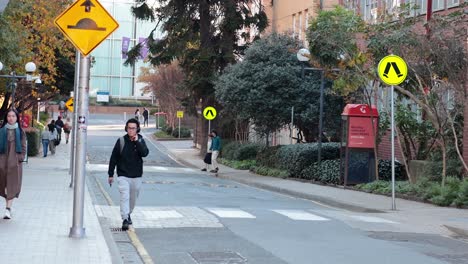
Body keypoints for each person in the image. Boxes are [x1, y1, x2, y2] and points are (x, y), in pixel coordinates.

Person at [108, 118, 149, 231]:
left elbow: (145, 153)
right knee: (124, 197)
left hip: (136, 175)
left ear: (137, 129)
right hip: (123, 175)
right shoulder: (121, 141)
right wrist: (111, 174)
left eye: (133, 128)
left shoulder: (140, 140)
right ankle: (125, 218)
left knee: (133, 199)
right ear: (126, 128)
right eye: (129, 128)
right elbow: (113, 158)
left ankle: (128, 213)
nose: (131, 130)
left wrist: (137, 142)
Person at [0, 109, 27, 219]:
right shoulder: (1, 131)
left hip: (14, 164)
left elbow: (24, 147)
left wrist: (19, 158)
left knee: (11, 186)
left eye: (13, 116)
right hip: (2, 162)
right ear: (6, 117)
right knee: (3, 185)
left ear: (17, 118)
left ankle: (8, 209)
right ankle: (7, 207)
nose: (11, 118)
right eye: (9, 116)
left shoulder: (20, 132)